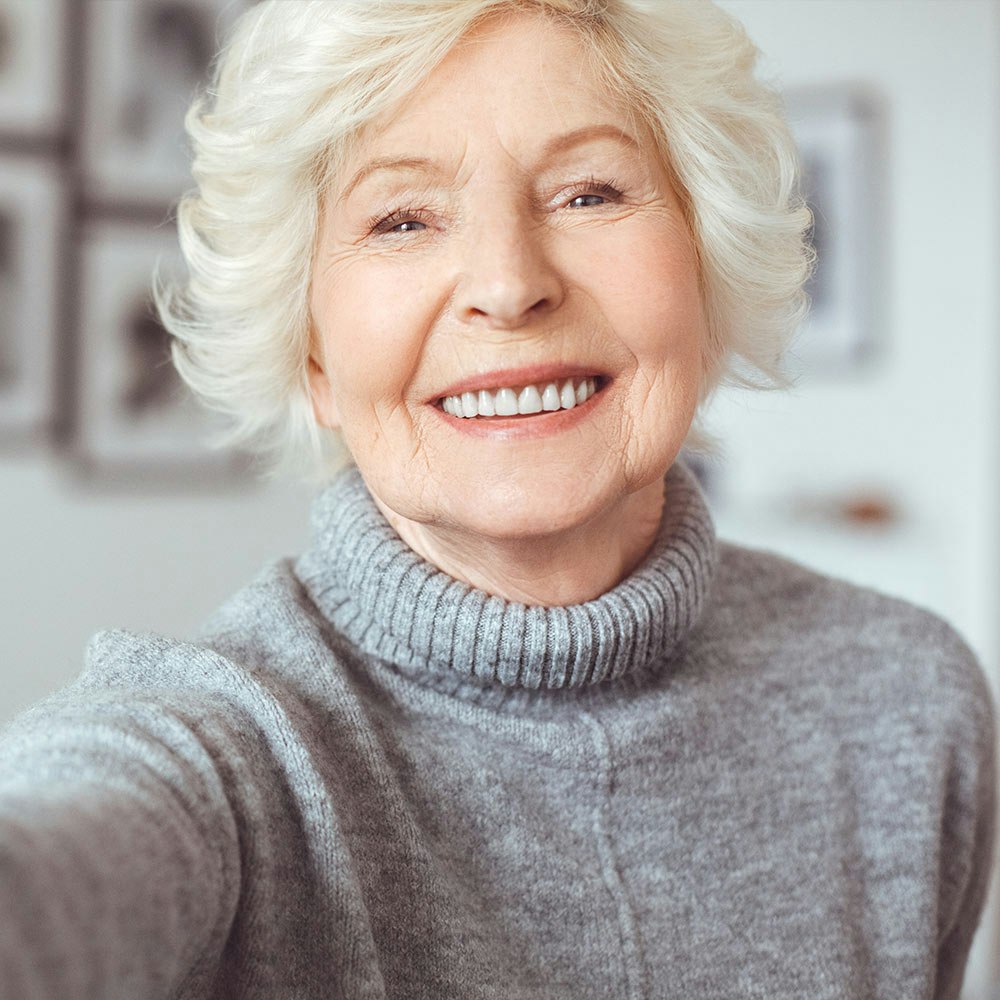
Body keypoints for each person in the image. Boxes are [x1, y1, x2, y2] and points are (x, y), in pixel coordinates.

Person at [1, 1, 994, 998]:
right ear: (309, 349)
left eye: (588, 194)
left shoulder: (905, 700)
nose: (508, 284)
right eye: (402, 219)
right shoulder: (217, 748)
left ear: (704, 262)